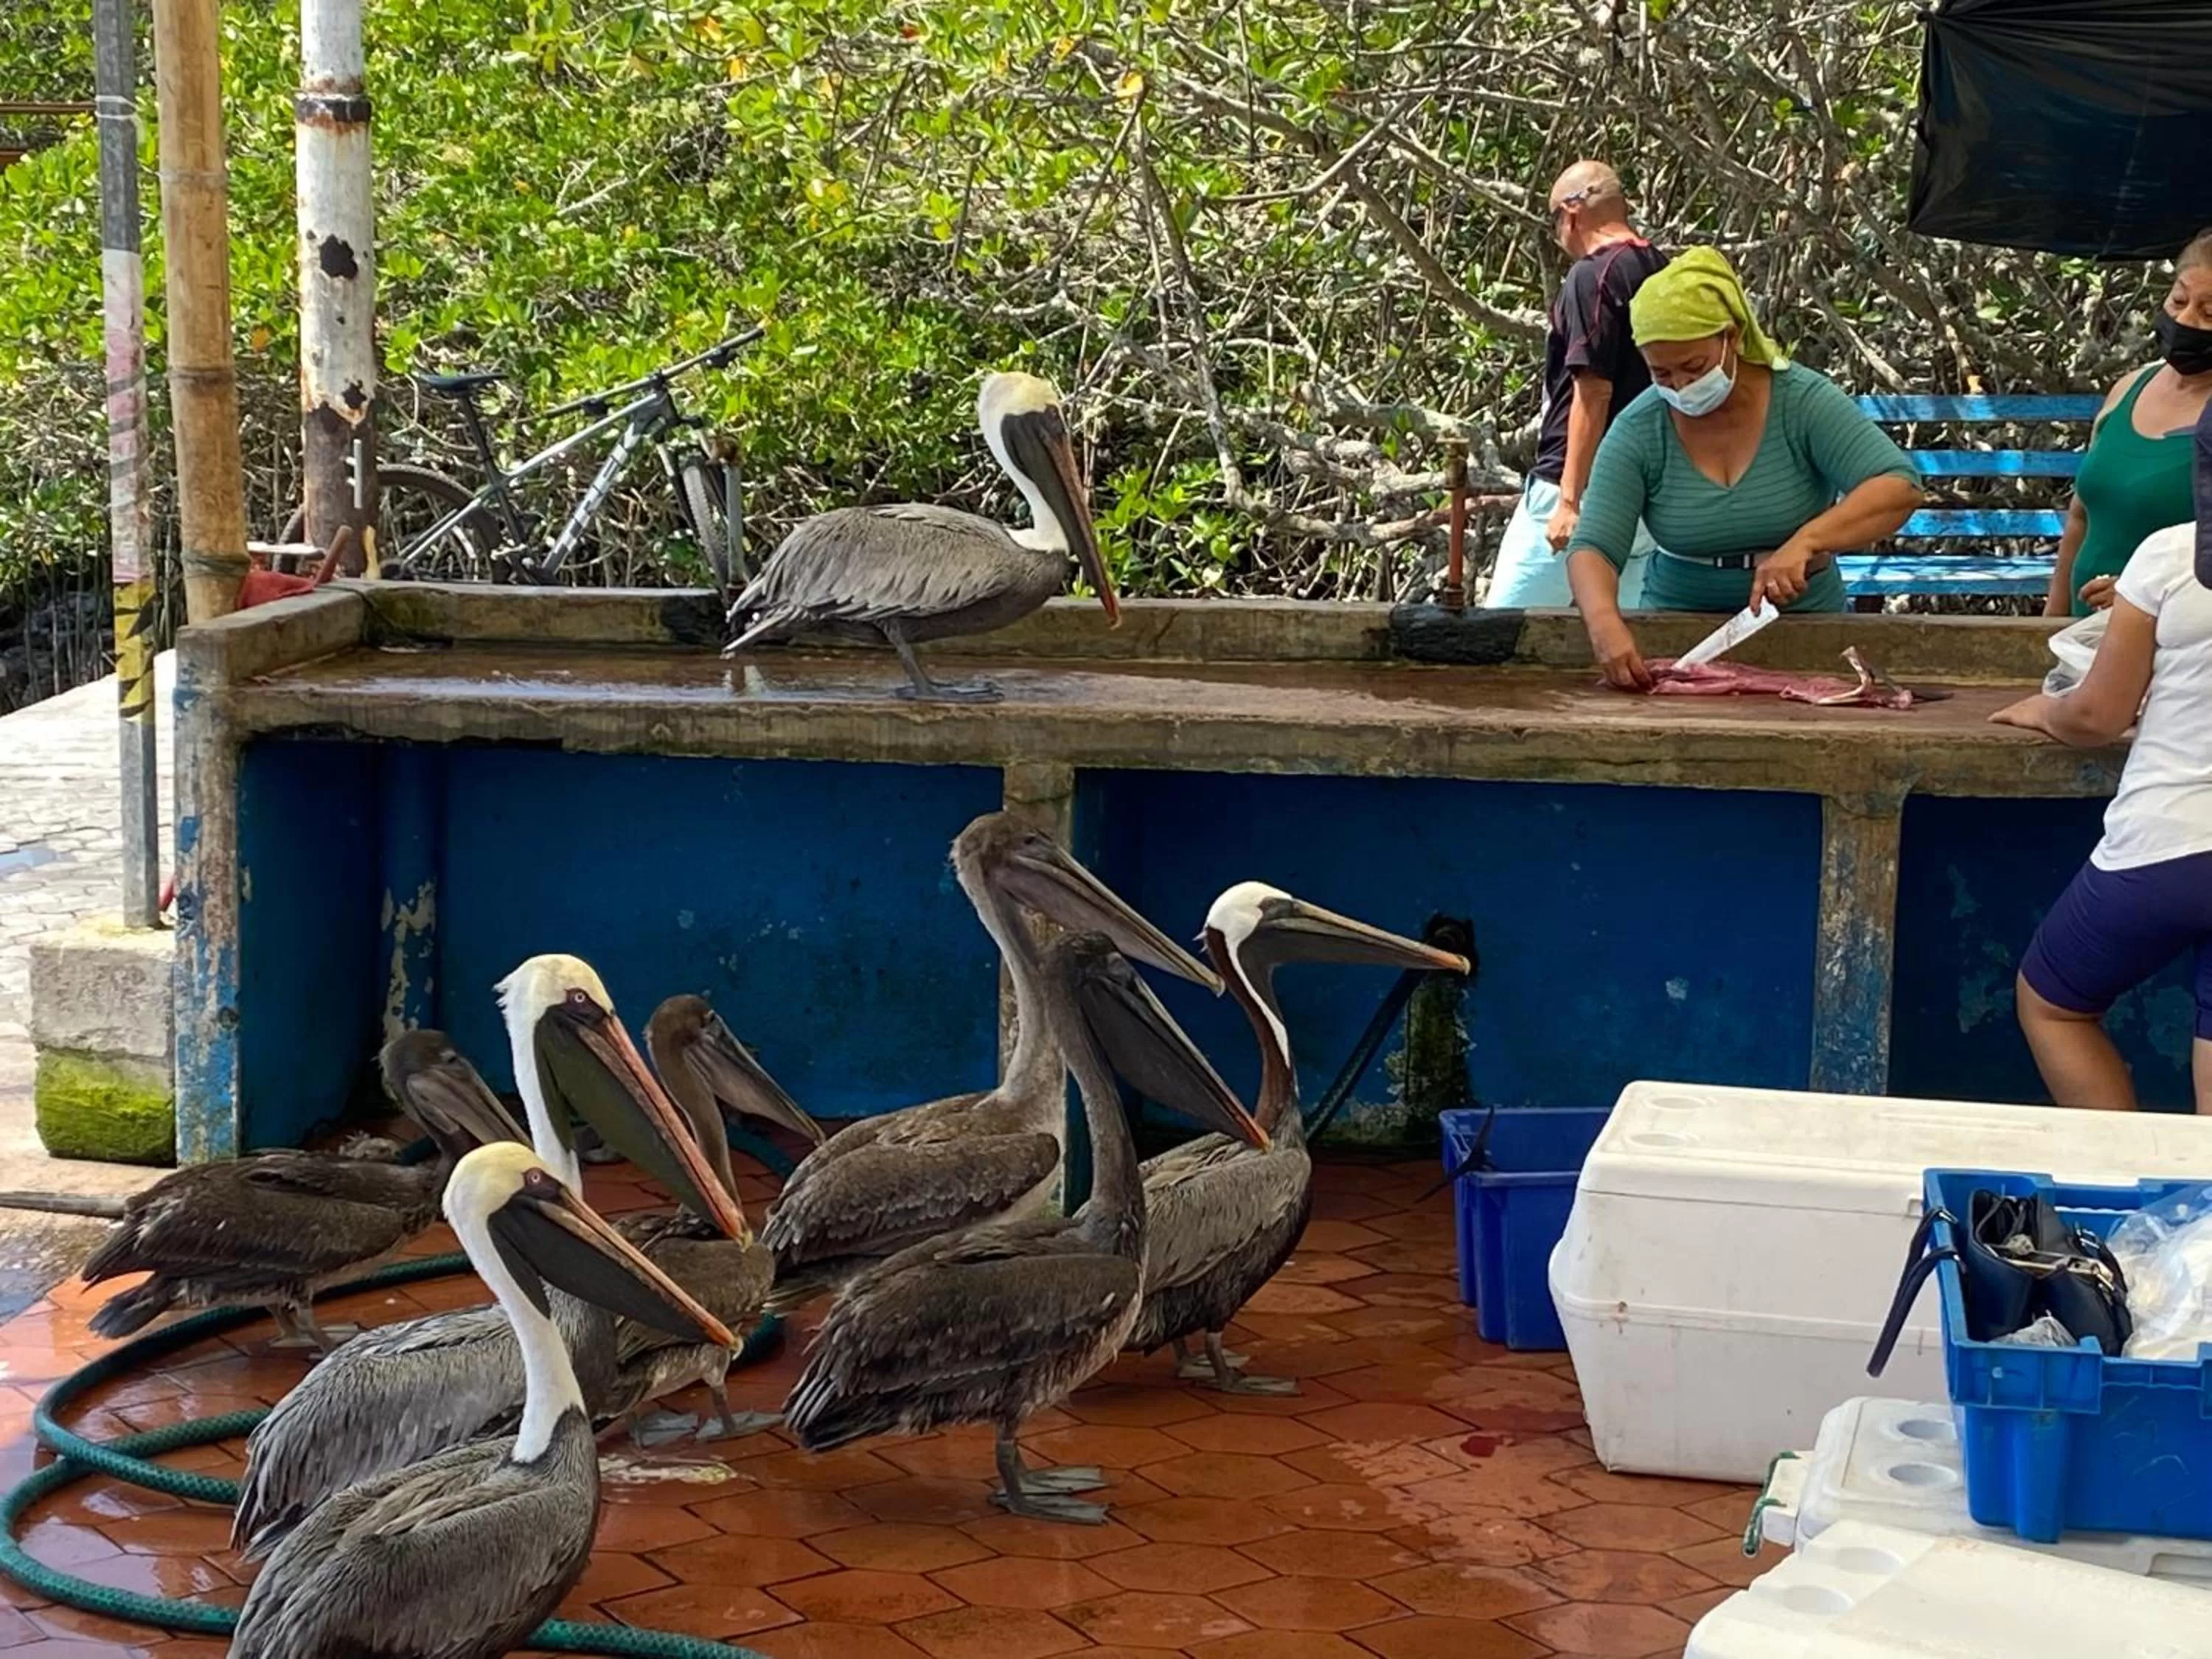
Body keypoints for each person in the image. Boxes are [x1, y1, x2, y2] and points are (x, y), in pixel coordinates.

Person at [1565, 248, 1923, 689]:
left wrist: (1807, 541)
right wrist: (1603, 623)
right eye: (1662, 374)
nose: (1681, 386)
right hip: (1678, 630)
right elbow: (1594, 545)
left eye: (1694, 367)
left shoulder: (1802, 402)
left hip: (1808, 627)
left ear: (1731, 337)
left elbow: (1898, 487)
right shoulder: (1640, 427)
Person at [1992, 506, 2212, 1114]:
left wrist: (2043, 710)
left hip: (2170, 843)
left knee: (2053, 1004)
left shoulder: (2173, 554)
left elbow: (2097, 716)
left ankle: (2120, 1167)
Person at [1481, 161, 1667, 610]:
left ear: (1570, 213)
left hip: (1579, 486)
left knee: (1503, 628)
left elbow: (1594, 390)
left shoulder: (1592, 276)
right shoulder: (1661, 268)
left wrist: (1568, 500)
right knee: (1622, 635)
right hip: (1642, 493)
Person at [2045, 229, 2212, 619]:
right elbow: (2081, 517)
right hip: (2079, 633)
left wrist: (2143, 592)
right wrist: (2050, 623)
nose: (2185, 320)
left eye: (2210, 313)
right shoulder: (2129, 387)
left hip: (2177, 640)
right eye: (2179, 300)